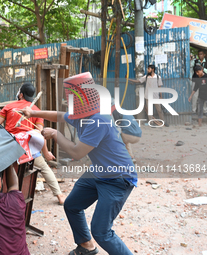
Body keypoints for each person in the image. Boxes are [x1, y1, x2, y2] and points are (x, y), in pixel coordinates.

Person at [22, 72, 137, 255]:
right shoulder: (81, 112)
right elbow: (60, 116)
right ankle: (86, 247)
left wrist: (56, 135)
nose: (68, 103)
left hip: (117, 178)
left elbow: (76, 152)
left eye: (71, 98)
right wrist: (32, 112)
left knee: (102, 232)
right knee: (72, 205)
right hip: (99, 171)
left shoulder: (99, 119)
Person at [0, 82, 66, 205]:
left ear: (21, 94)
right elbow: (39, 134)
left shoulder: (9, 106)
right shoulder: (37, 111)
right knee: (44, 168)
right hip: (28, 150)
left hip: (9, 147)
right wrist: (46, 152)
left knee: (0, 169)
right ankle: (60, 195)